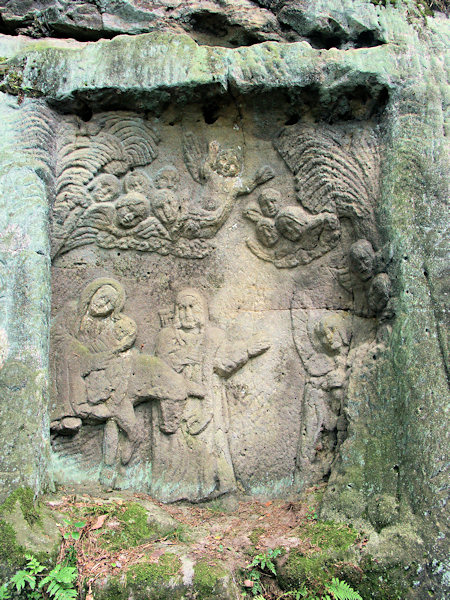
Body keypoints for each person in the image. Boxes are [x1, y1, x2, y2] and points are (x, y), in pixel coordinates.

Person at [152, 288, 270, 502]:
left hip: (207, 399)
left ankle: (213, 489)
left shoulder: (213, 336)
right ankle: (175, 490)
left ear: (201, 311)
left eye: (192, 308)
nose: (187, 313)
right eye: (182, 308)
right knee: (176, 444)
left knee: (209, 445)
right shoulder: (166, 336)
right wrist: (187, 359)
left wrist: (248, 349)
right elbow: (162, 366)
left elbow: (223, 362)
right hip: (176, 400)